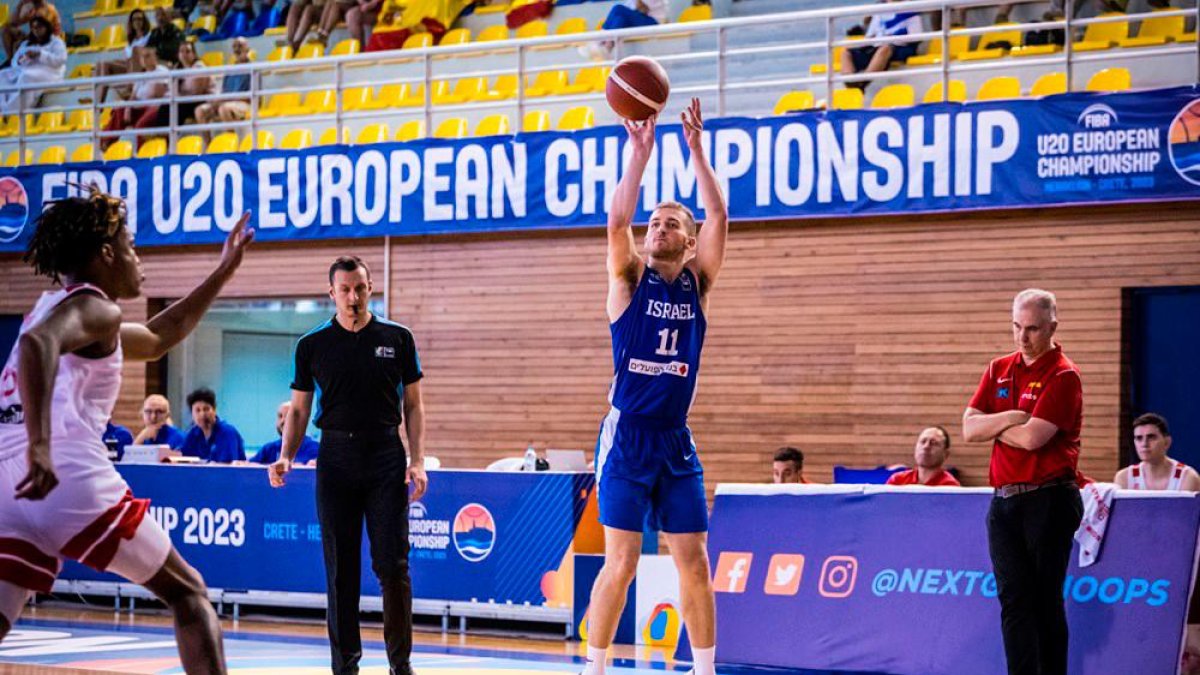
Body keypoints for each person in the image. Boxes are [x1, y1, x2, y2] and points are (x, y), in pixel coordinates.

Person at [0, 185, 253, 672]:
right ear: (106, 253)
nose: (139, 260)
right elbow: (36, 346)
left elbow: (159, 335)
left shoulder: (54, 307)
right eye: (131, 246)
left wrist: (223, 270)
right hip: (62, 473)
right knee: (189, 592)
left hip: (7, 488)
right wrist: (42, 446)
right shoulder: (96, 306)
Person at [584, 98, 726, 675]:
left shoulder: (698, 284)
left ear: (689, 243)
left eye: (672, 223)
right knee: (621, 562)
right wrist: (638, 153)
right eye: (655, 222)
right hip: (627, 436)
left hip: (674, 438)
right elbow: (617, 222)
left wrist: (696, 150)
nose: (658, 227)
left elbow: (718, 216)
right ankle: (594, 668)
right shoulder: (627, 279)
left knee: (695, 559)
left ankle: (705, 669)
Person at [269, 256, 427, 675]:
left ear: (370, 288)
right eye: (345, 289)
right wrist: (286, 455)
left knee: (393, 566)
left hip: (385, 457)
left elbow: (413, 405)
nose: (353, 297)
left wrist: (417, 460)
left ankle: (401, 666)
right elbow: (299, 410)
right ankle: (345, 667)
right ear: (332, 293)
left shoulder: (398, 338)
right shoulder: (311, 345)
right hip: (335, 459)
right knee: (340, 571)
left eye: (359, 288)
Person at [963, 288, 1083, 675]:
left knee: (1044, 601)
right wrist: (1012, 417)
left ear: (1052, 327)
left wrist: (993, 427)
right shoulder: (998, 367)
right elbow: (968, 429)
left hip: (1048, 498)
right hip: (1003, 501)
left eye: (1032, 328)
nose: (1022, 337)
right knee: (1013, 601)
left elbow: (1034, 439)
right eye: (1017, 326)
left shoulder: (1063, 375)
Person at [840, 0, 922, 90]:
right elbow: (870, 36)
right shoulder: (880, 9)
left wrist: (893, 39)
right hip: (877, 46)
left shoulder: (910, 8)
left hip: (901, 47)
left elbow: (916, 37)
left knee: (885, 48)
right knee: (846, 53)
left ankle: (863, 82)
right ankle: (850, 83)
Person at [100, 46, 169, 150]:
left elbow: (158, 94)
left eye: (148, 56)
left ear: (155, 57)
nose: (144, 59)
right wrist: (128, 108)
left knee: (140, 124)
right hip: (141, 107)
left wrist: (137, 105)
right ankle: (105, 142)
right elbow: (133, 96)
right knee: (120, 111)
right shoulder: (141, 75)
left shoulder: (162, 71)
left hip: (156, 107)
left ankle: (142, 153)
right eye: (142, 57)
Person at [1114, 413, 1200, 491]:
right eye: (1139, 438)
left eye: (1151, 437)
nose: (1144, 444)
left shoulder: (1187, 478)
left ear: (1167, 442)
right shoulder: (1124, 478)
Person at [0, 16, 64, 115]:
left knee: (27, 77)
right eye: (33, 28)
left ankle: (14, 111)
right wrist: (20, 61)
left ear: (46, 27)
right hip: (25, 69)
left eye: (39, 27)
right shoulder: (26, 44)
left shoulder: (56, 42)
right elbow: (15, 61)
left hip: (49, 72)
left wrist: (39, 54)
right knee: (2, 74)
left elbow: (60, 60)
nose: (36, 30)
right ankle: (2, 107)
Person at [94, 10, 152, 105]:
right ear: (131, 22)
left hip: (141, 67)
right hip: (129, 67)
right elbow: (128, 59)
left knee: (106, 65)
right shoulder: (131, 40)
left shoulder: (149, 36)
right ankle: (96, 99)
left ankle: (99, 103)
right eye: (134, 19)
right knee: (101, 64)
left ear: (144, 21)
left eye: (140, 19)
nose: (137, 22)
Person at [194, 37, 250, 129]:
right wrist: (218, 101)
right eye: (234, 46)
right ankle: (207, 139)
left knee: (223, 109)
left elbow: (253, 98)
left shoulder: (253, 69)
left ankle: (231, 137)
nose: (236, 49)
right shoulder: (229, 70)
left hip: (245, 104)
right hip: (228, 102)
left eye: (240, 46)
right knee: (200, 111)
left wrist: (228, 99)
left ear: (247, 49)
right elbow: (224, 91)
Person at [180, 387, 245, 463]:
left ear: (214, 410)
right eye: (197, 410)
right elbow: (184, 459)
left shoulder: (228, 433)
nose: (202, 414)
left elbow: (227, 465)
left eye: (206, 409)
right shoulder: (192, 435)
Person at [886, 426, 962, 487]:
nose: (926, 447)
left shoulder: (950, 487)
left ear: (945, 454)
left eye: (934, 443)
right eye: (923, 441)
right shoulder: (897, 481)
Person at [162, 40, 215, 125]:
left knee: (178, 108)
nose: (184, 54)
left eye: (188, 51)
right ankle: (163, 132)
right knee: (164, 106)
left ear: (194, 54)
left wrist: (179, 96)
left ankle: (172, 131)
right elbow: (172, 90)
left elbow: (196, 92)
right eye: (181, 51)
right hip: (186, 101)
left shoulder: (199, 67)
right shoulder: (178, 68)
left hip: (201, 101)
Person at [1, 0, 61, 69]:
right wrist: (20, 6)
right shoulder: (32, 8)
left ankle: (16, 63)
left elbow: (47, 35)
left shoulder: (46, 10)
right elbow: (12, 22)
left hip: (46, 44)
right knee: (6, 29)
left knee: (18, 45)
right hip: (35, 39)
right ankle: (11, 61)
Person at [255, 401, 318, 466]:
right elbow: (249, 465)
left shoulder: (315, 449)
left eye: (288, 416)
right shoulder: (268, 449)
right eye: (280, 416)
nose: (282, 421)